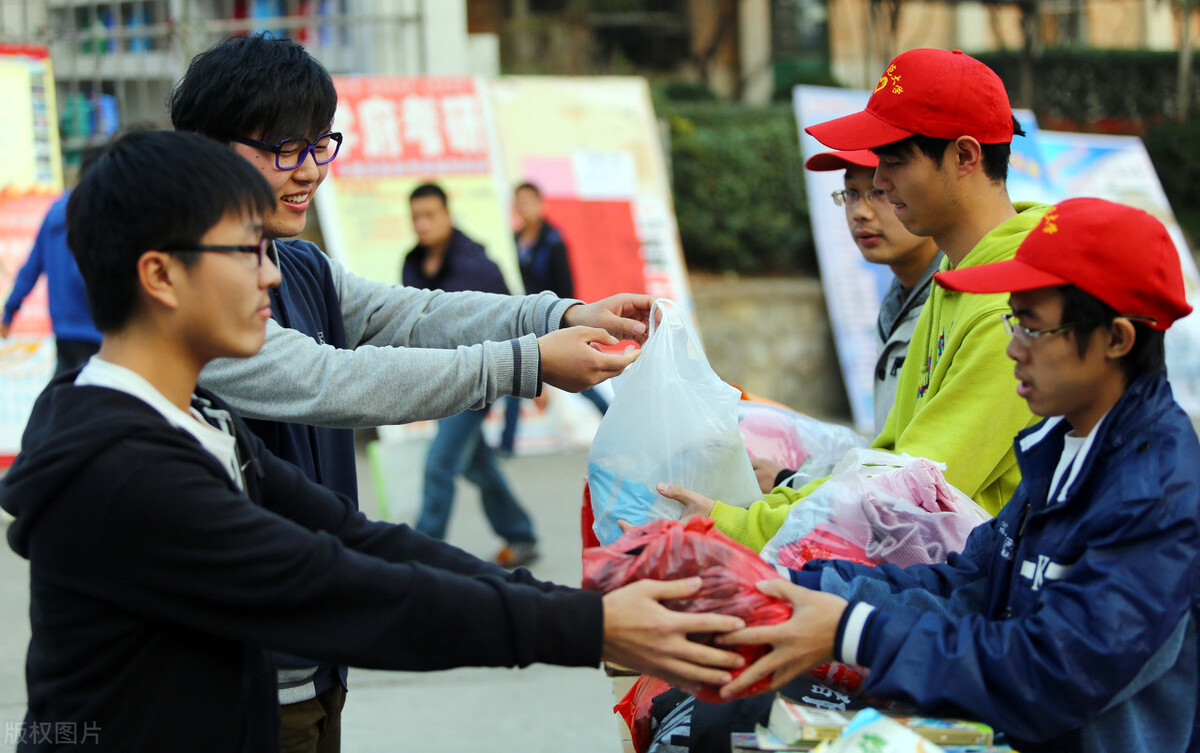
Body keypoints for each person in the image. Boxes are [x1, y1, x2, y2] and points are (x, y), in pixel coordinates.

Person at [0, 129, 747, 753]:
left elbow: (359, 539)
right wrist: (591, 625)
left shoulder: (197, 420)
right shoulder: (126, 472)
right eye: (246, 252)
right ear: (160, 275)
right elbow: (338, 587)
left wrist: (590, 608)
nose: (270, 278)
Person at [172, 34, 654, 748]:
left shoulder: (297, 264)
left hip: (317, 657)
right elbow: (332, 380)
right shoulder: (199, 302)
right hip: (240, 678)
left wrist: (559, 314)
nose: (307, 170)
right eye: (282, 148)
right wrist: (526, 361)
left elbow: (418, 313)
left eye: (318, 145)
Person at [717, 198, 1199, 753]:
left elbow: (1053, 674)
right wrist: (794, 589)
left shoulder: (1157, 491)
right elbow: (970, 583)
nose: (1014, 348)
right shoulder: (1060, 447)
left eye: (1034, 329)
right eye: (1012, 321)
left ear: (1117, 339)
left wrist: (854, 631)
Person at [663, 48, 1047, 550]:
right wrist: (763, 508)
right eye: (856, 188)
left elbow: (911, 493)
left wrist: (742, 524)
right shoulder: (954, 276)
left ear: (965, 156)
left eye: (893, 161)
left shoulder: (1012, 306)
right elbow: (889, 455)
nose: (879, 184)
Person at [753, 150, 942, 493]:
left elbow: (934, 473)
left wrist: (793, 482)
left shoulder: (959, 300)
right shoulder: (899, 299)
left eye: (880, 192)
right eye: (851, 194)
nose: (860, 213)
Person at [402, 182, 541, 567]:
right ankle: (521, 534)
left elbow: (515, 317)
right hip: (436, 381)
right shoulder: (412, 262)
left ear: (448, 214)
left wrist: (533, 373)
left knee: (440, 465)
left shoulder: (479, 266)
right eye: (416, 217)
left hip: (478, 381)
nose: (423, 224)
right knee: (476, 464)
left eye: (430, 215)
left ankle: (421, 558)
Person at [498, 181, 609, 456]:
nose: (523, 208)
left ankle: (613, 419)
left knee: (576, 377)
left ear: (539, 204)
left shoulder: (553, 240)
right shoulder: (514, 240)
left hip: (551, 318)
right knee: (515, 371)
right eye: (518, 202)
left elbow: (566, 286)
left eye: (528, 201)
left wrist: (563, 320)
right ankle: (507, 442)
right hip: (523, 318)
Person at [1, 147, 104, 377]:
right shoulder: (102, 210)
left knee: (66, 398)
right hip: (99, 331)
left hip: (64, 330)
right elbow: (82, 273)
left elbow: (29, 270)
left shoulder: (55, 212)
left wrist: (9, 313)